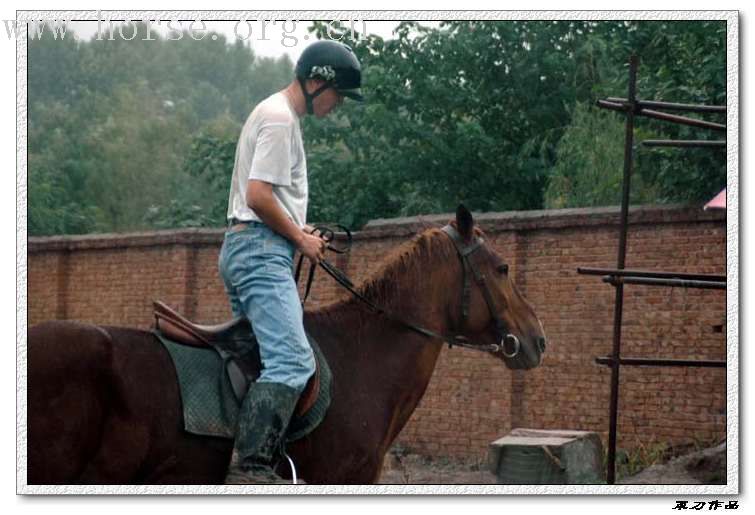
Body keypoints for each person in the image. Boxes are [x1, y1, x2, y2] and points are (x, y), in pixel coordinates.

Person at [218, 40, 363, 484]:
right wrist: (299, 237)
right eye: (338, 94)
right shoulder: (281, 119)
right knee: (294, 362)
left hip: (251, 247)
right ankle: (252, 469)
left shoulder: (276, 115)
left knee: (258, 363)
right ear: (317, 81)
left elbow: (268, 198)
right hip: (261, 253)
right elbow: (258, 196)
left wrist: (300, 231)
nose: (338, 104)